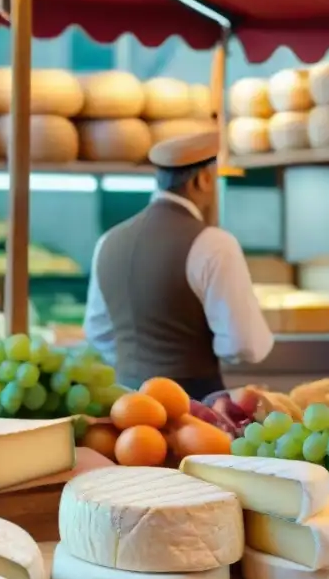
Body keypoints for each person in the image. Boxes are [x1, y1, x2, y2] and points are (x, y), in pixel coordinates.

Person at [82, 131, 275, 398]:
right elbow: (245, 345)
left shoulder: (108, 241)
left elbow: (97, 332)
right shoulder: (214, 243)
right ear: (203, 180)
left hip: (124, 405)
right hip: (191, 407)